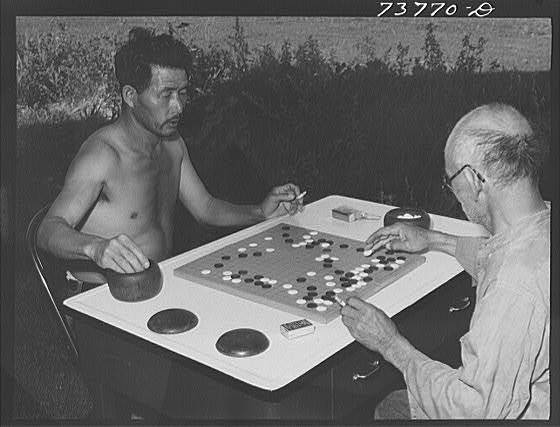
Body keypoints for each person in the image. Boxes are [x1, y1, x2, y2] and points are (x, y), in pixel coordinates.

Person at [37, 27, 304, 280]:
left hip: (161, 285)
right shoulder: (103, 156)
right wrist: (95, 248)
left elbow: (205, 208)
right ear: (130, 96)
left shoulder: (172, 143)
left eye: (183, 93)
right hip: (102, 300)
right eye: (165, 95)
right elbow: (48, 229)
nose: (178, 107)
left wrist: (260, 211)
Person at [341, 103, 550, 419]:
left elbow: (474, 410)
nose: (454, 194)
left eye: (451, 181)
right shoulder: (539, 226)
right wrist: (435, 240)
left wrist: (391, 344)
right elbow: (503, 255)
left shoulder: (512, 286)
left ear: (473, 179)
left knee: (390, 409)